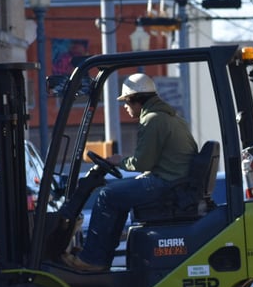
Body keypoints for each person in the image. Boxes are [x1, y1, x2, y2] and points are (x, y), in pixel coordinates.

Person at [62, 73, 197, 272]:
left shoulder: (152, 119)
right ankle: (100, 257)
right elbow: (154, 160)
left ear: (136, 100)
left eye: (126, 102)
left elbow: (143, 162)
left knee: (107, 196)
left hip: (166, 184)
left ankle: (93, 259)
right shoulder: (171, 117)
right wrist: (124, 162)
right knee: (118, 195)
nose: (125, 107)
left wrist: (120, 161)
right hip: (174, 181)